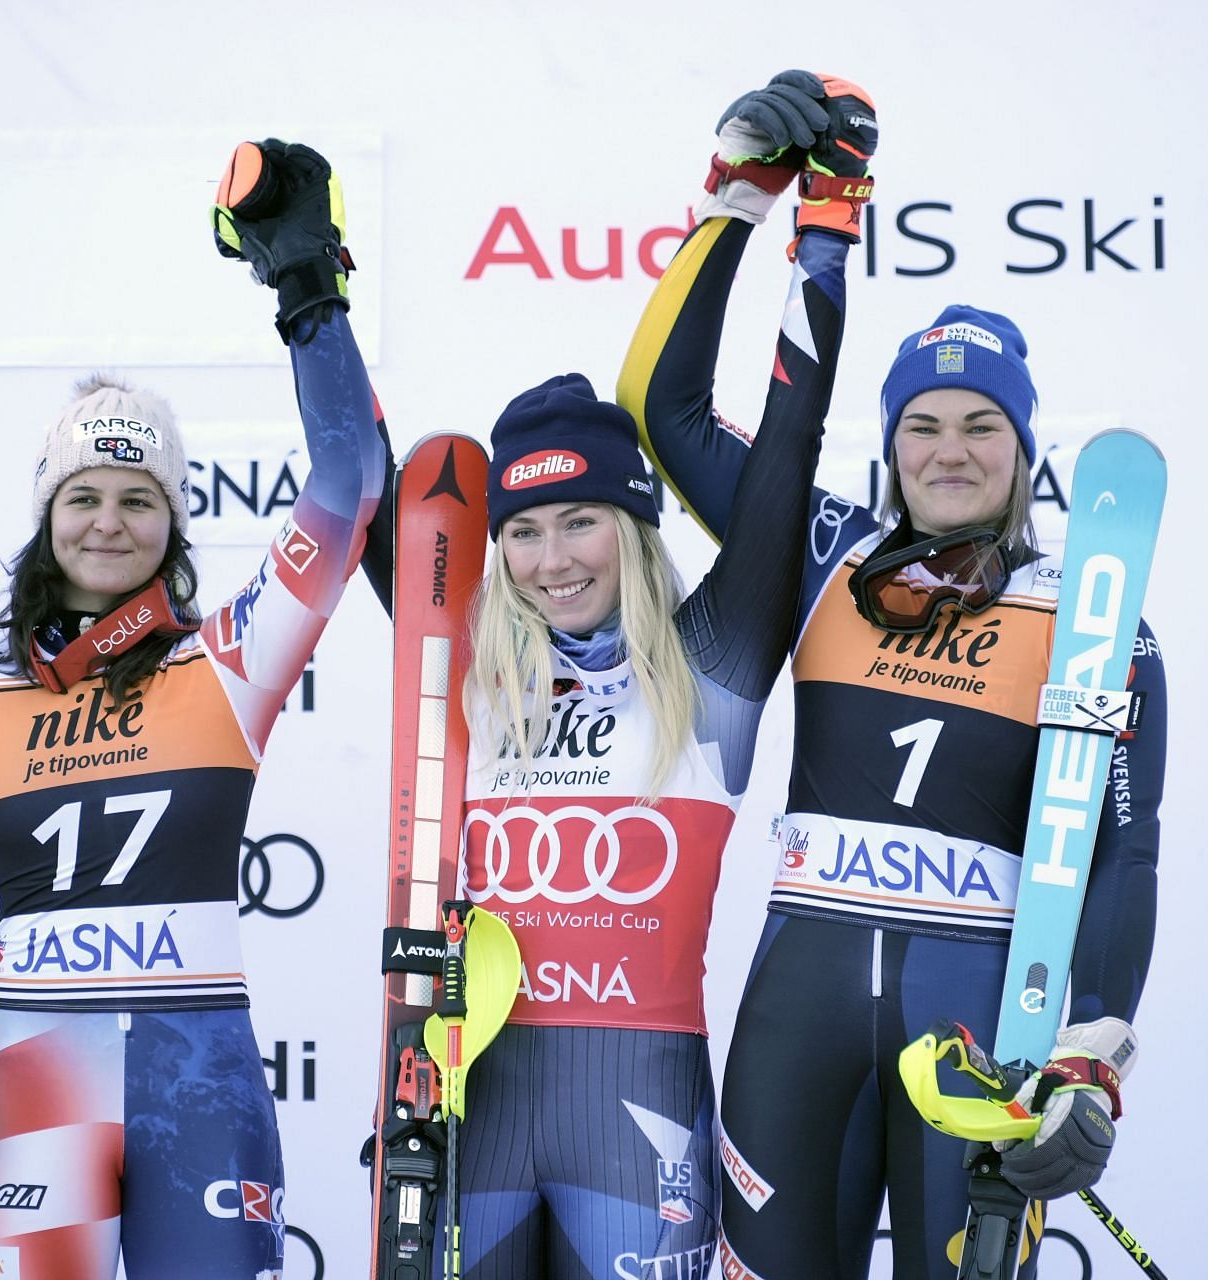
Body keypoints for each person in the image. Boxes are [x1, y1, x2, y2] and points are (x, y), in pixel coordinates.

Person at [619, 73, 1168, 1280]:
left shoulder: (1092, 615)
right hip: (798, 1009)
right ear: (891, 441)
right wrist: (740, 205)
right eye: (923, 424)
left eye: (983, 424)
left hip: (976, 1018)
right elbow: (662, 411)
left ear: (1024, 448)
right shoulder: (822, 553)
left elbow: (1124, 853)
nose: (951, 450)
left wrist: (1090, 1052)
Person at [0, 140, 385, 1279]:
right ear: (46, 514)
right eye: (83, 497)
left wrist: (308, 291)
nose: (108, 522)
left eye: (137, 498)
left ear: (172, 522)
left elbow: (348, 479)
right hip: (37, 1072)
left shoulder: (228, 660)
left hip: (198, 1078)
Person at [352, 80, 869, 1280]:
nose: (547, 559)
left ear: (633, 531)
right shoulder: (475, 658)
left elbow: (789, 446)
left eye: (578, 521)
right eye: (522, 532)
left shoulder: (715, 659)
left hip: (642, 1120)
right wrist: (309, 292)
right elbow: (365, 480)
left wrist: (817, 227)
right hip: (471, 1108)